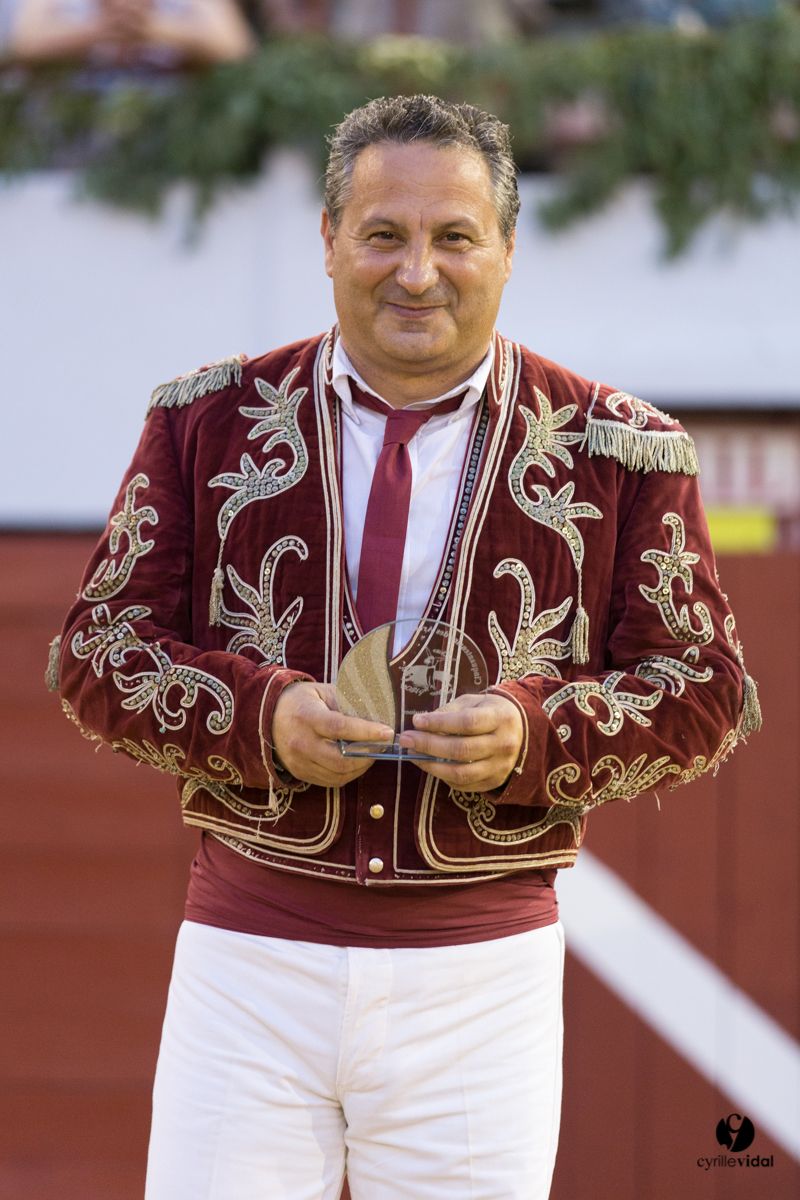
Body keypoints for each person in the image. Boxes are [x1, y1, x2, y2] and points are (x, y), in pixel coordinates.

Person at [54, 94, 758, 1200]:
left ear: (507, 251)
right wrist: (261, 715)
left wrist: (532, 734)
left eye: (453, 238)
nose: (415, 273)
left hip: (479, 983)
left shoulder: (619, 448)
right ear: (329, 241)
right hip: (249, 962)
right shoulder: (207, 420)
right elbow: (97, 650)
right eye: (383, 234)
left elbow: (702, 689)